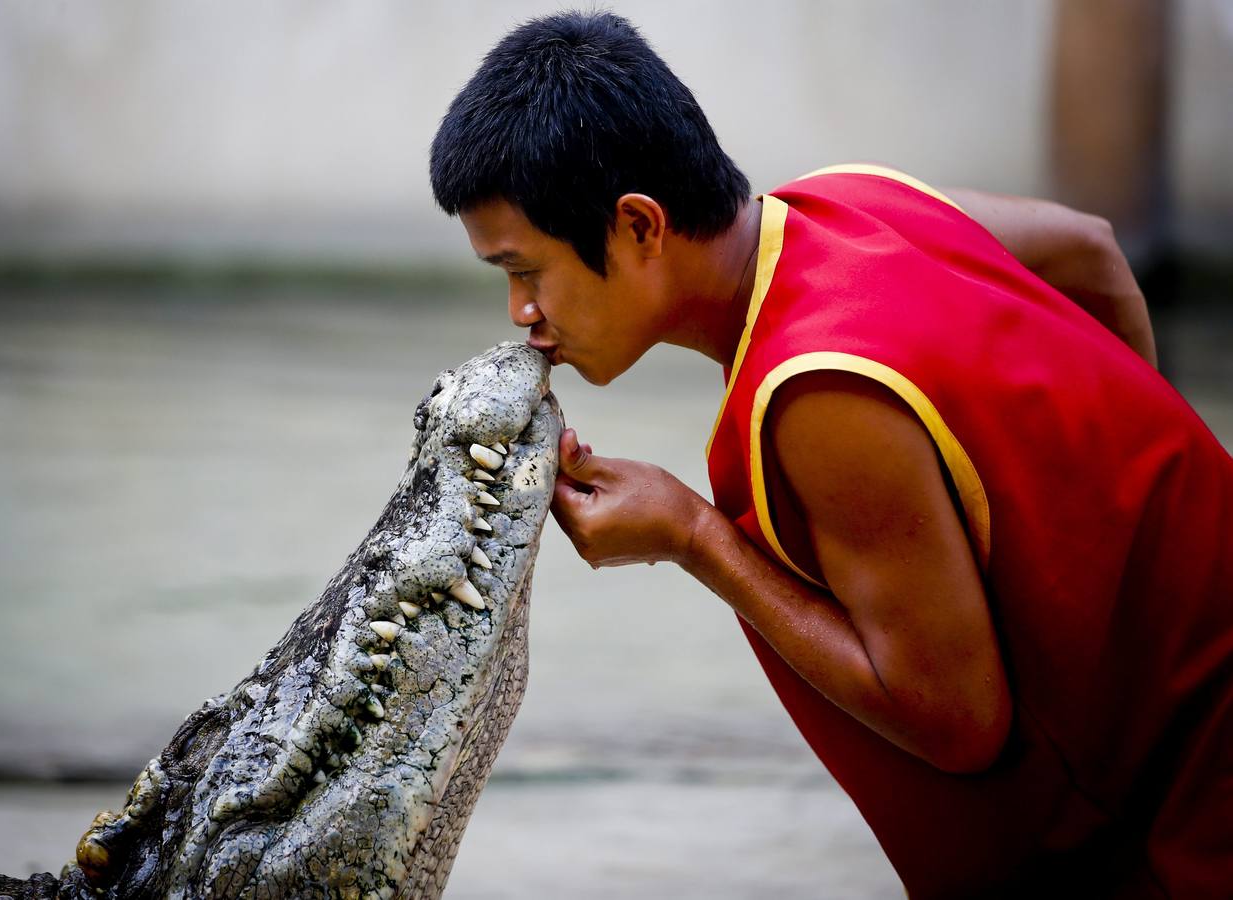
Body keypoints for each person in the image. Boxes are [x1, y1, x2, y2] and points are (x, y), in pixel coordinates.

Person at [429, 11, 1233, 897]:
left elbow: (959, 722)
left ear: (639, 228)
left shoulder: (813, 391)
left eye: (524, 271)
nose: (520, 314)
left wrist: (694, 535)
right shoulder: (853, 199)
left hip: (1193, 802)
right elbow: (1091, 250)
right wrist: (1135, 513)